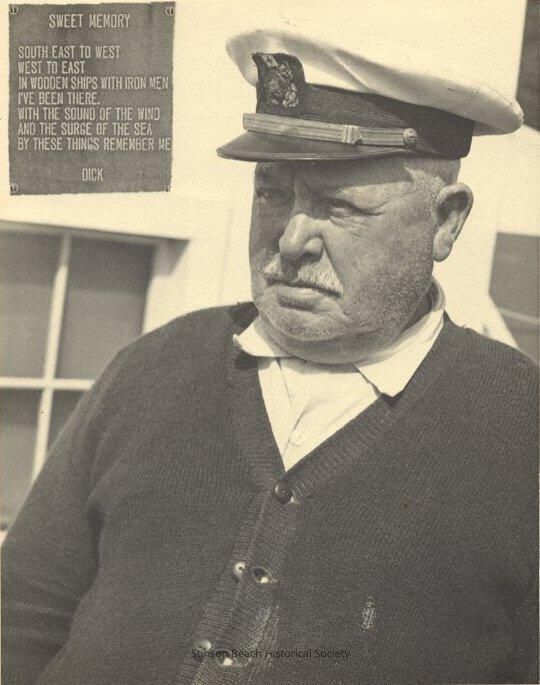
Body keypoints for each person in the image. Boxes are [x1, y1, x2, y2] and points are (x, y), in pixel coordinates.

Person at [2, 28, 538, 685]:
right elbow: (20, 620)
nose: (290, 241)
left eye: (339, 207)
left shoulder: (520, 427)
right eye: (272, 193)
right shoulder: (152, 367)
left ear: (446, 221)